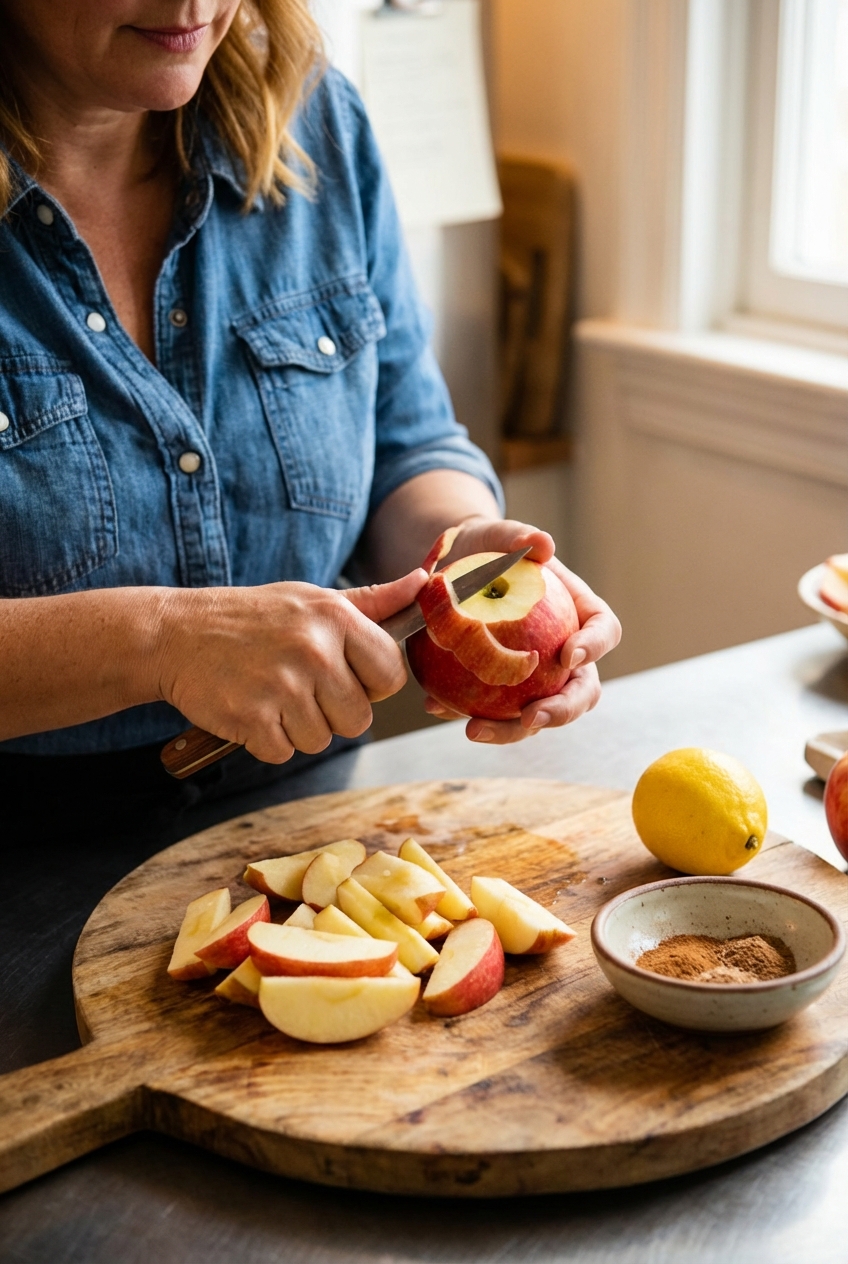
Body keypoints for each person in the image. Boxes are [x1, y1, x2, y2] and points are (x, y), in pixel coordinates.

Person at [0, 0, 620, 841]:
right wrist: (161, 640)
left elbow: (407, 441)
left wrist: (463, 553)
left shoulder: (315, 117)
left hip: (306, 814)